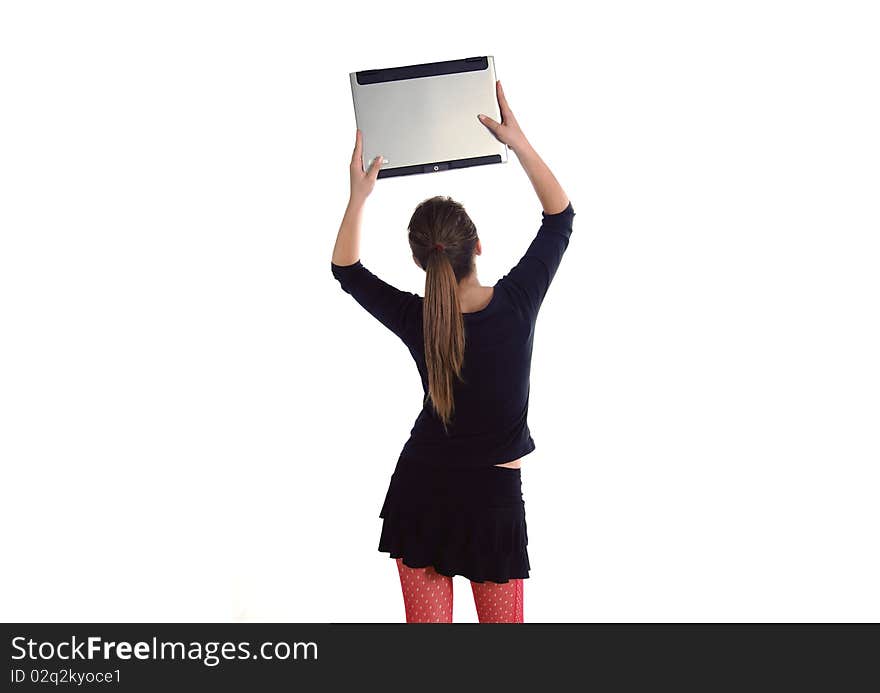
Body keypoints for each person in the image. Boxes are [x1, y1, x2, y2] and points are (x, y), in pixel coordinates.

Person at [330, 80, 575, 623]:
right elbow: (560, 218)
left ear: (422, 262)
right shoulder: (516, 303)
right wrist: (520, 143)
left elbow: (345, 270)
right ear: (477, 245)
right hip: (492, 503)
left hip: (421, 495)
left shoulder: (419, 317)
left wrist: (358, 195)